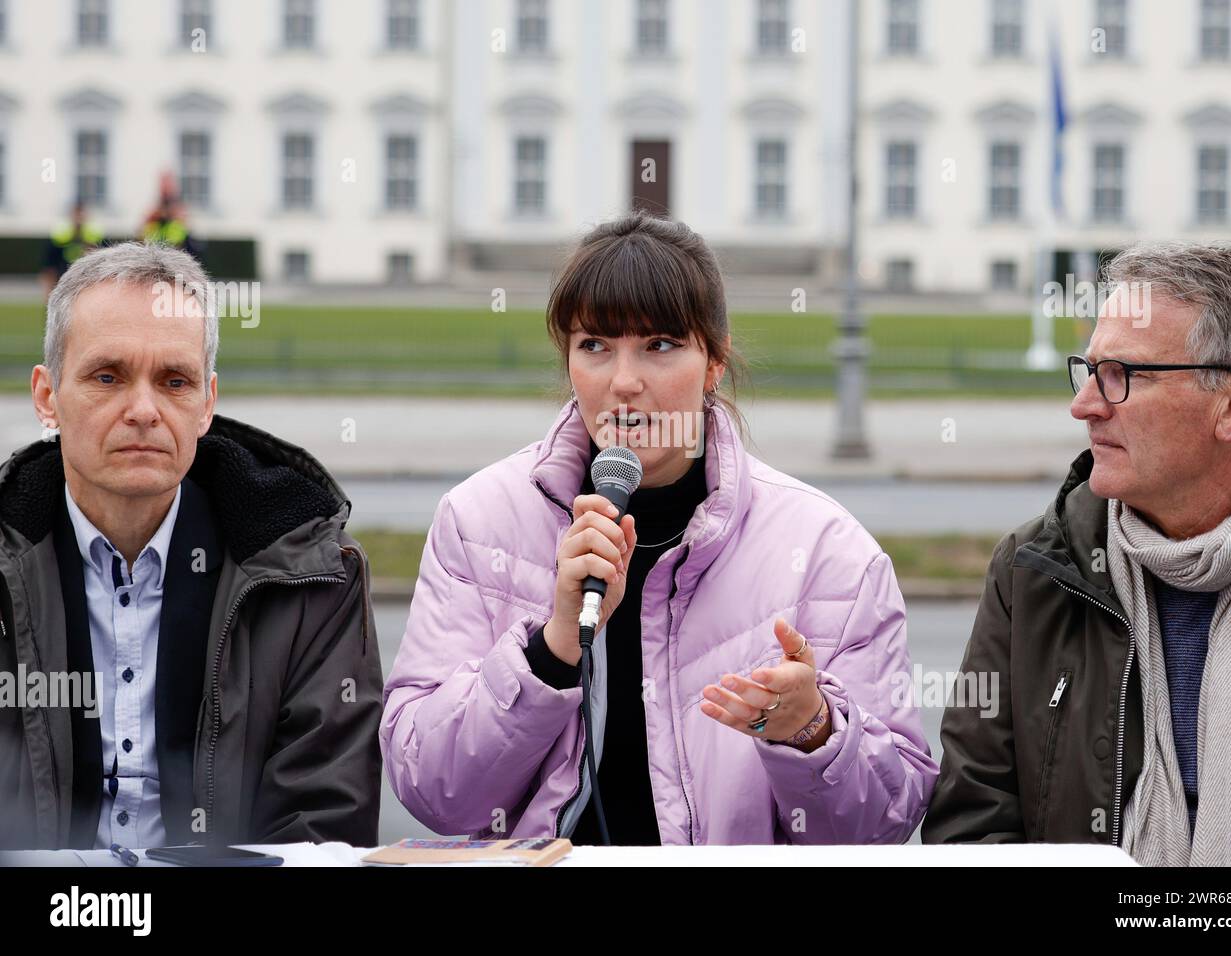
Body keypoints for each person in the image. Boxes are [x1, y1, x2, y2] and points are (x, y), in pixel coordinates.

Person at [381, 211, 936, 844]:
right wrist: (553, 649)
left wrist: (812, 733)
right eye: (594, 346)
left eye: (660, 345)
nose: (623, 382)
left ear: (715, 363)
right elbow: (430, 788)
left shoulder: (828, 552)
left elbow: (883, 825)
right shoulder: (477, 523)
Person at [922, 241, 1231, 866]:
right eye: (1089, 370)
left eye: (1124, 375)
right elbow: (971, 828)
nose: (1085, 405)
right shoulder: (1034, 572)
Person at [0, 242, 382, 850]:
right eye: (108, 376)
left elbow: (320, 825)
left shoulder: (311, 573)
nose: (144, 411)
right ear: (47, 397)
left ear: (207, 402)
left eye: (174, 381)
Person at [41, 202, 103, 300]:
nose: (78, 219)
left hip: (86, 282)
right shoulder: (60, 236)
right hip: (62, 282)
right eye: (76, 214)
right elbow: (49, 267)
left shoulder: (94, 235)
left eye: (81, 214)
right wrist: (48, 290)